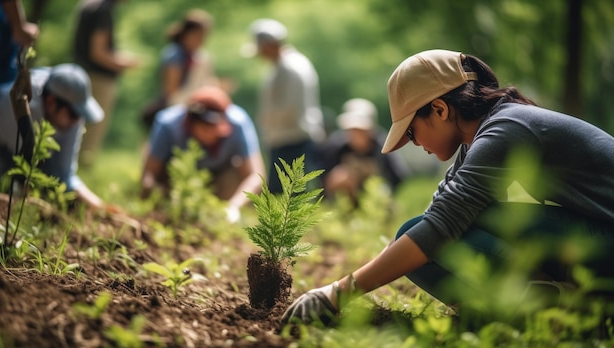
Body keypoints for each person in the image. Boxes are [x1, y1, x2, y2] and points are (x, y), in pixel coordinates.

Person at [282, 49, 614, 324]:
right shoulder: (481, 136)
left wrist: (337, 293)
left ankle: (546, 310)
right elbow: (432, 218)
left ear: (439, 110)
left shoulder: (506, 129)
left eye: (411, 133)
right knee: (416, 233)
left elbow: (441, 227)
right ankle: (526, 308)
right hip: (596, 237)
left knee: (446, 230)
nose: (415, 144)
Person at [0, 63, 119, 212]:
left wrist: (101, 207)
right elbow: (23, 174)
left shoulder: (67, 115)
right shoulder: (20, 110)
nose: (77, 122)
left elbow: (63, 174)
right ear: (51, 102)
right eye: (74, 114)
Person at [140, 86, 265, 223]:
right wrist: (164, 196)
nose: (208, 132)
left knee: (235, 174)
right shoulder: (168, 123)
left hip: (219, 178)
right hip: (177, 180)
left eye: (213, 127)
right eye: (203, 126)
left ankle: (218, 217)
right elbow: (148, 175)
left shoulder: (238, 123)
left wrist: (233, 206)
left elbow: (256, 176)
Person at [244, 18, 324, 194]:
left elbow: (290, 107)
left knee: (289, 197)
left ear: (268, 45)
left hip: (291, 139)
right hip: (288, 138)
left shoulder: (290, 67)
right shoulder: (286, 65)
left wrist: (266, 120)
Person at [73, 0, 139, 168]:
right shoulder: (103, 11)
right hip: (98, 80)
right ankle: (79, 177)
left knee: (74, 128)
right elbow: (98, 52)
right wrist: (123, 64)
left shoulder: (88, 5)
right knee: (91, 134)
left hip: (80, 73)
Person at [321, 98, 410, 202]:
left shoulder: (383, 146)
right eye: (352, 129)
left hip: (376, 198)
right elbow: (322, 177)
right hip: (346, 199)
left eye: (360, 129)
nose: (355, 134)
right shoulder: (336, 147)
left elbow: (399, 175)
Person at [141, 9, 218, 129]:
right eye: (199, 35)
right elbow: (172, 92)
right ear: (187, 34)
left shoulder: (200, 57)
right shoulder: (174, 54)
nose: (202, 40)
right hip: (175, 110)